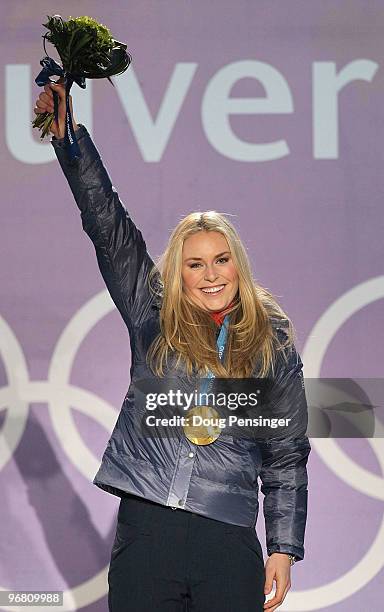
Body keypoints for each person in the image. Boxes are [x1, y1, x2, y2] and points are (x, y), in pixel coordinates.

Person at [34, 81, 311, 612]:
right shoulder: (152, 315)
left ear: (239, 265)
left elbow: (286, 454)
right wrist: (69, 140)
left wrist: (283, 547)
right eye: (195, 263)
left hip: (226, 537)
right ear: (178, 274)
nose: (211, 275)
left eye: (222, 260)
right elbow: (107, 225)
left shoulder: (272, 341)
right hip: (148, 531)